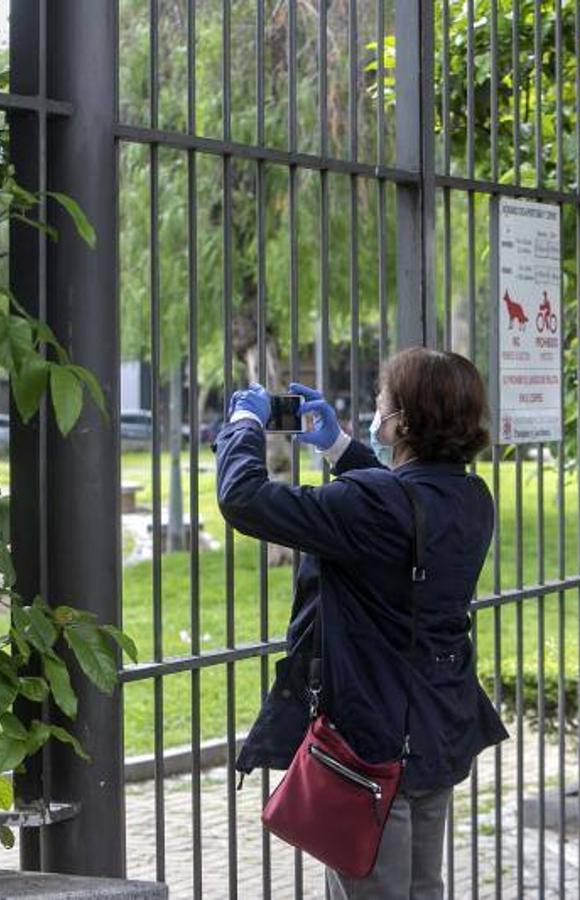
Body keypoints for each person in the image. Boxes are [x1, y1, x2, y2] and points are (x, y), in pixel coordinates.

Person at [213, 347, 509, 899]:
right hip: (435, 729)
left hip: (370, 744)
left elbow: (244, 499)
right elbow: (402, 508)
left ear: (401, 420)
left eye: (381, 402)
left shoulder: (377, 506)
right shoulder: (471, 496)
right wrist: (339, 447)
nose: (375, 412)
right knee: (424, 890)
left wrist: (244, 425)